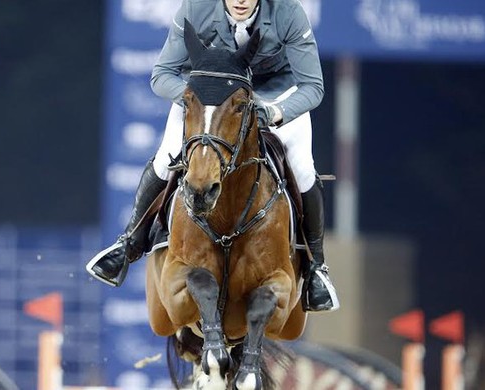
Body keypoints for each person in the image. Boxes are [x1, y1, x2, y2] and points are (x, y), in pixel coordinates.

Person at [86, 0, 339, 312]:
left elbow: (312, 86)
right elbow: (162, 74)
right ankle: (128, 243)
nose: (241, 1)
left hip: (276, 96)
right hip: (210, 98)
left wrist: (277, 112)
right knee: (167, 157)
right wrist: (201, 101)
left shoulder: (288, 12)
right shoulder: (195, 9)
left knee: (301, 168)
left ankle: (316, 269)